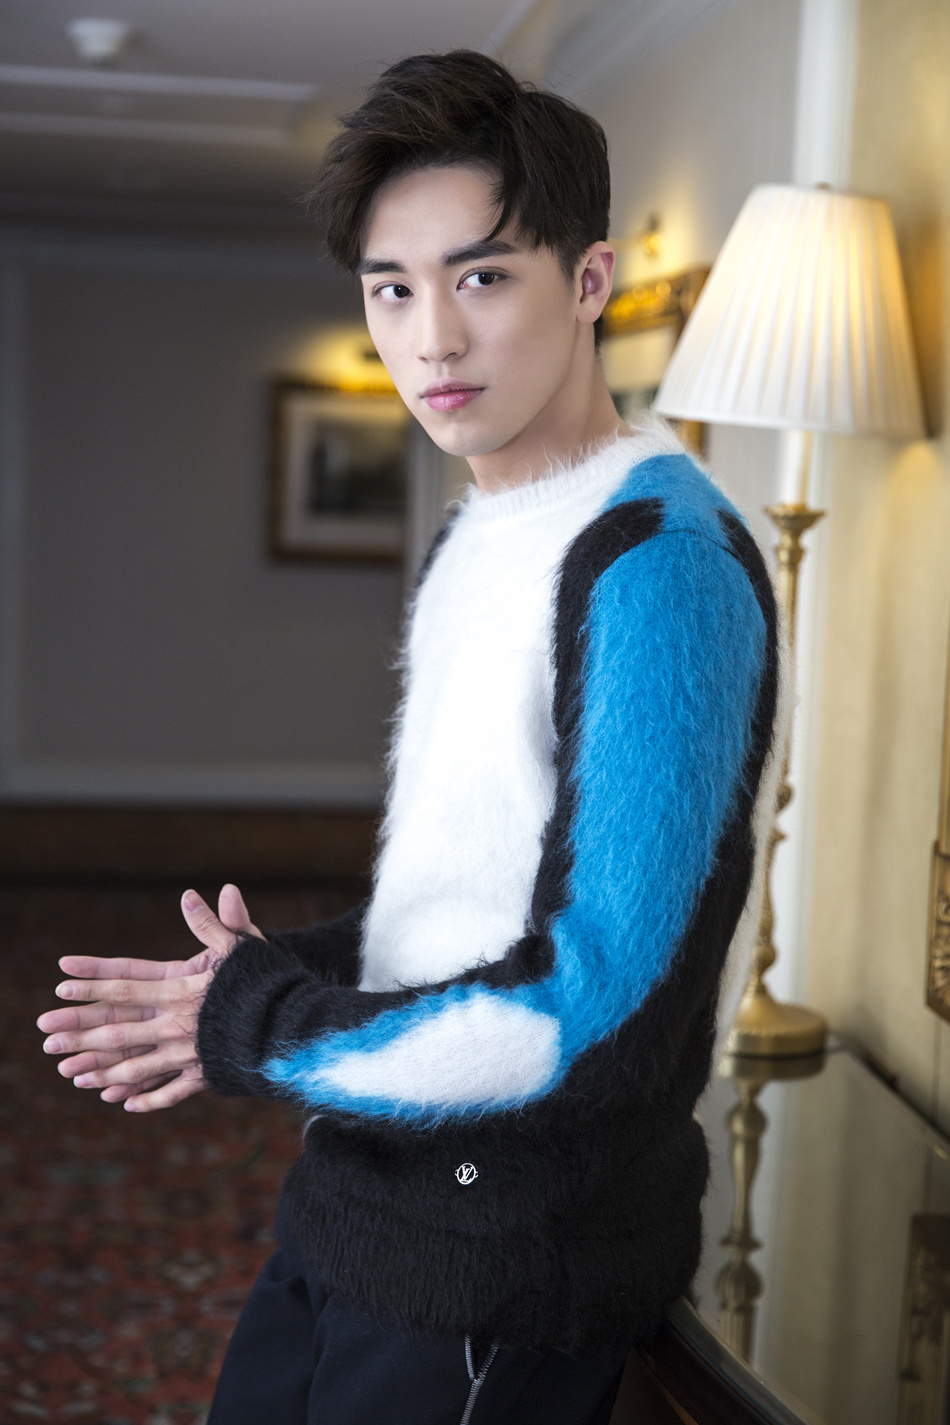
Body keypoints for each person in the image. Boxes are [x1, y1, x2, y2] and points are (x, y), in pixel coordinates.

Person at [37, 50, 781, 1425]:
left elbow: (588, 1010)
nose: (431, 338)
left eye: (481, 277)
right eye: (392, 288)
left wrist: (256, 1025)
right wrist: (277, 975)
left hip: (499, 1260)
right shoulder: (473, 534)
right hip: (360, 1198)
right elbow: (463, 901)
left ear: (589, 281)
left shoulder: (659, 562)